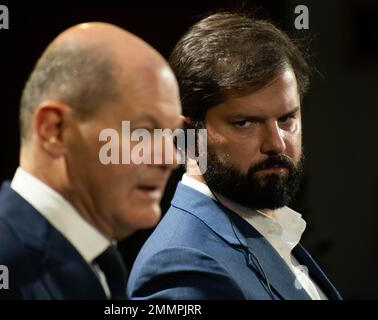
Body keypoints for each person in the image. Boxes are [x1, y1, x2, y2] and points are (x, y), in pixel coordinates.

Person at [0, 22, 182, 299]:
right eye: (142, 132)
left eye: (171, 136)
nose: (170, 158)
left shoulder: (98, 263)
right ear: (55, 130)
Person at [128, 12, 342, 300]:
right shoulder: (180, 265)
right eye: (245, 123)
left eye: (287, 118)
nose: (276, 144)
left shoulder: (271, 230)